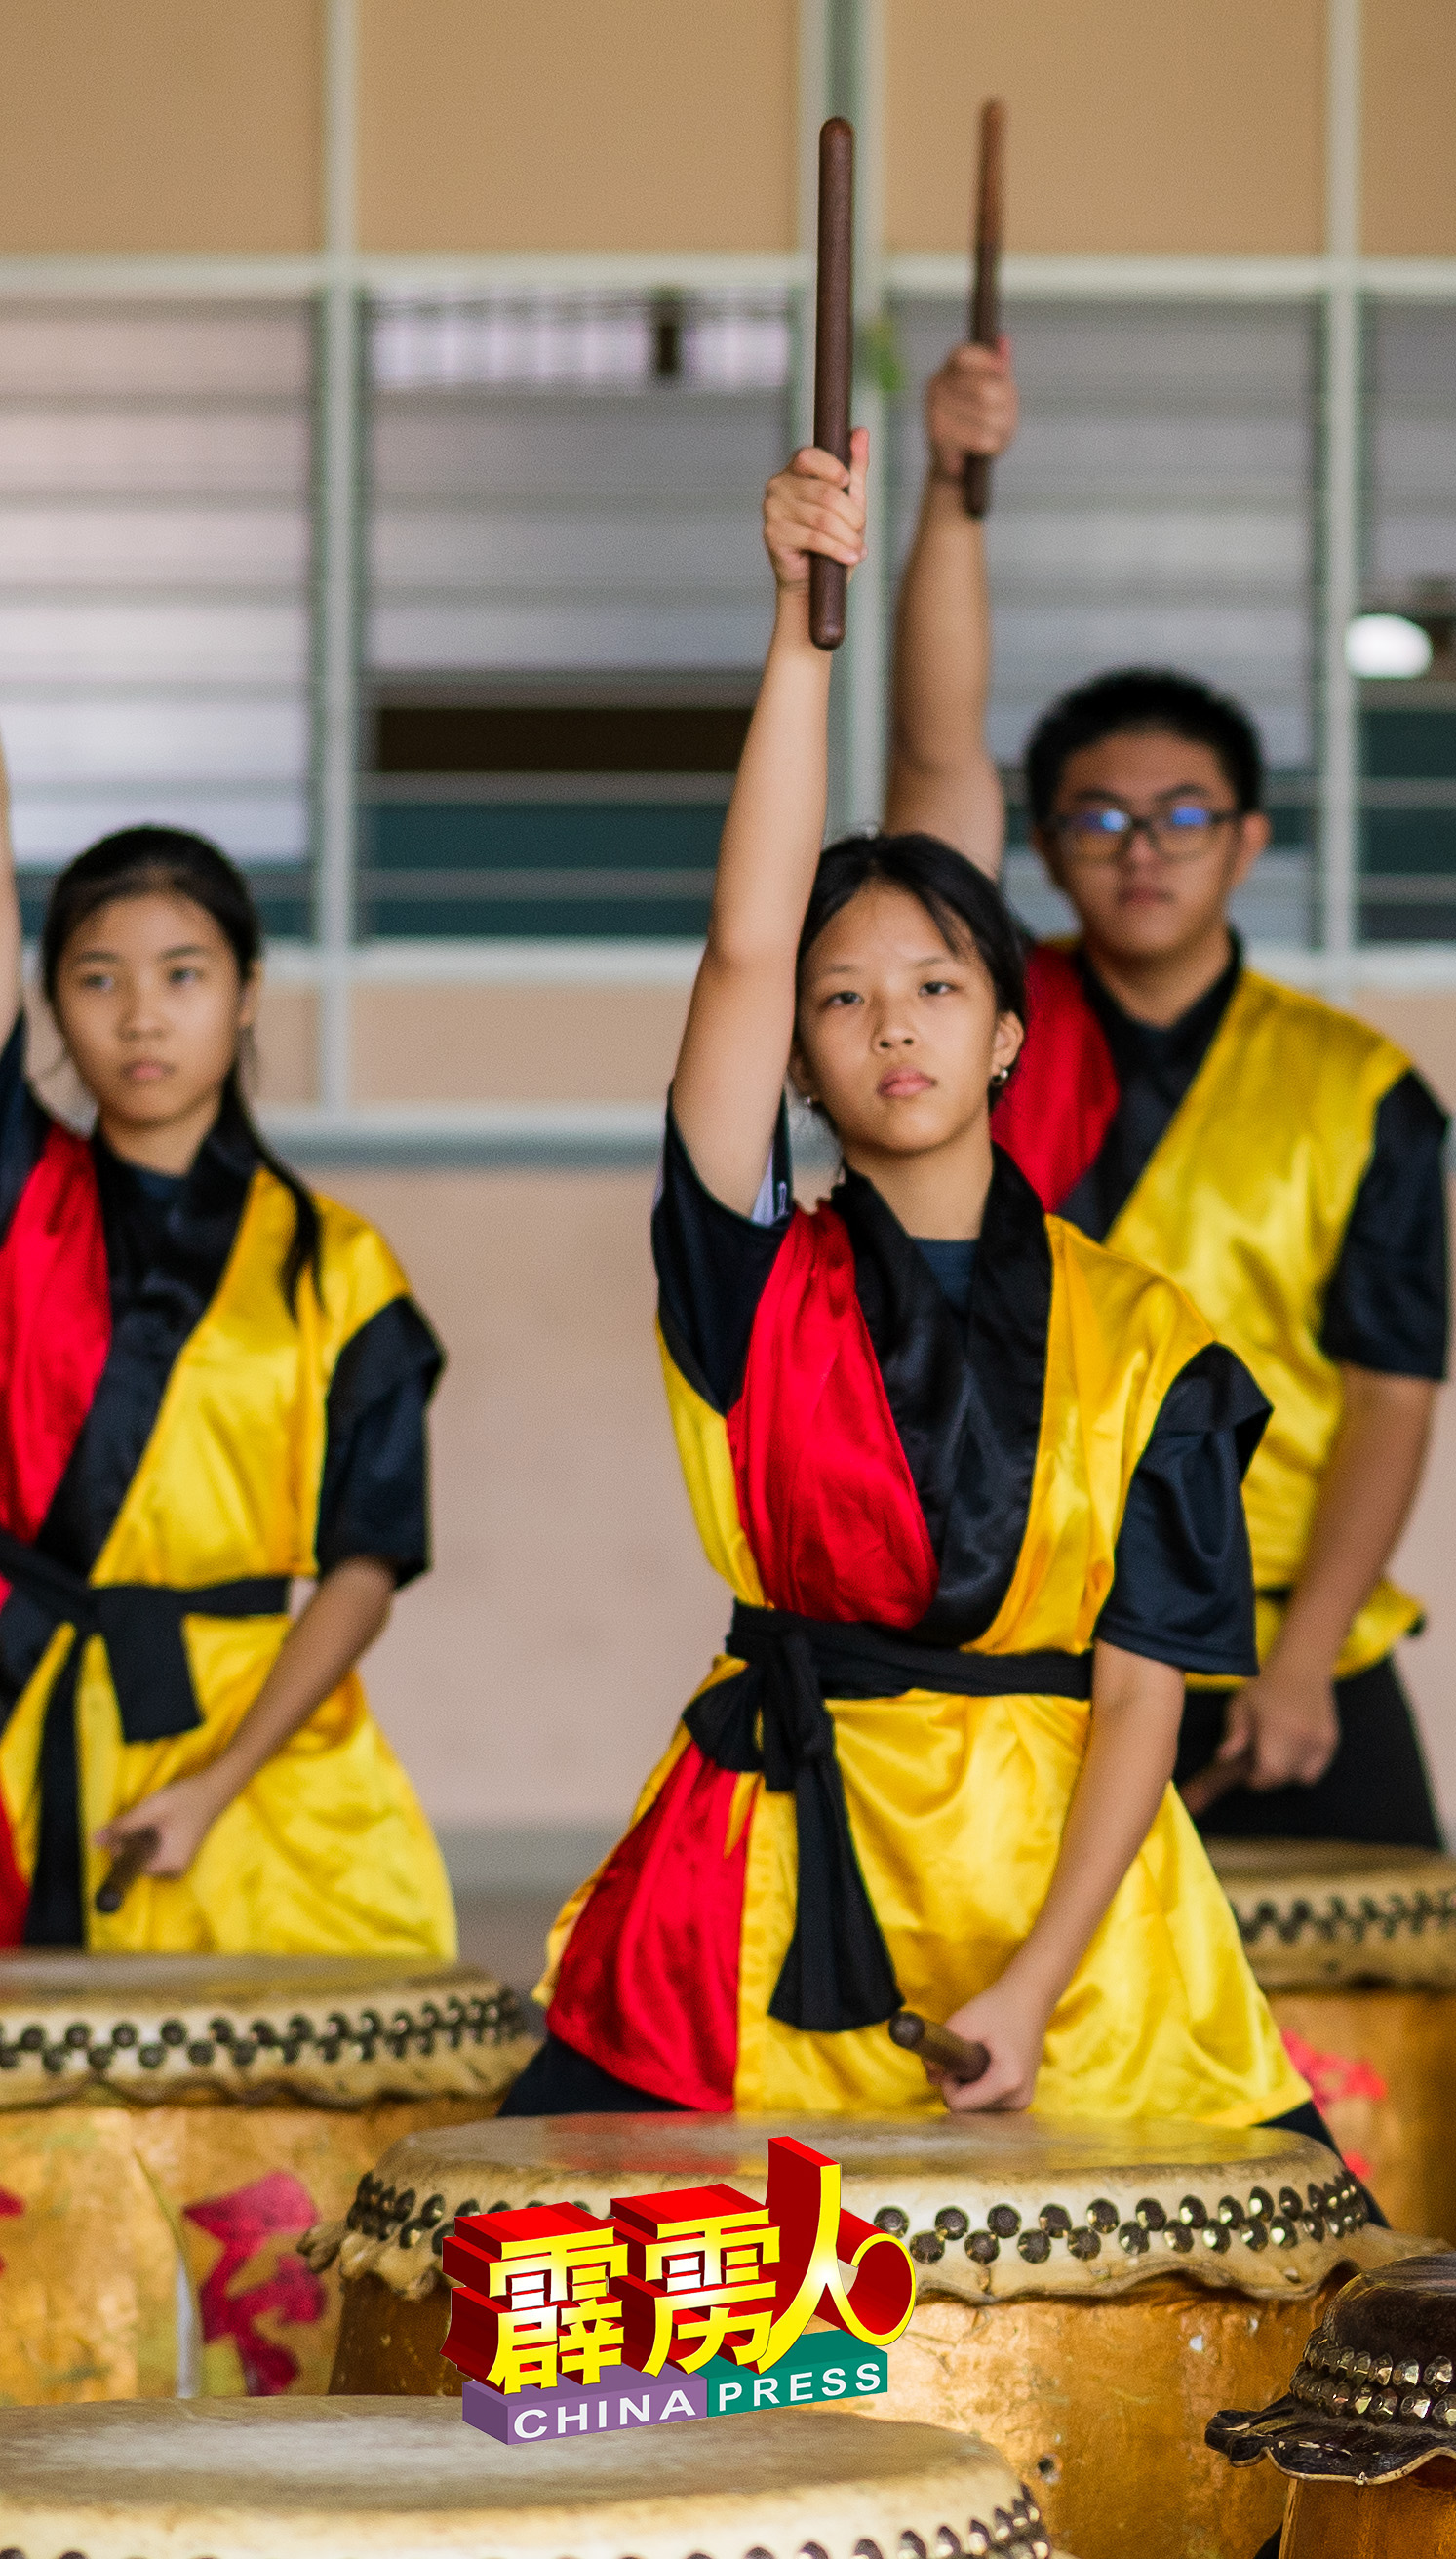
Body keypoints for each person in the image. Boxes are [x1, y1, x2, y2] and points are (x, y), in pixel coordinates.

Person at [514, 430, 1307, 2131]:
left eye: (936, 987)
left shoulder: (1154, 1335)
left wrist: (1032, 1981)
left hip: (1072, 1901)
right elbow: (737, 941)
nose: (891, 1025)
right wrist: (799, 646)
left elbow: (1144, 1693)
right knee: (566, 2324)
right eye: (843, 997)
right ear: (795, 1054)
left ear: (1011, 1029)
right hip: (772, 1855)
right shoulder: (746, 1277)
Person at [884, 333, 1453, 1847]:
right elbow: (934, 754)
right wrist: (950, 491)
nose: (1144, 847)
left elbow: (1393, 1400)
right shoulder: (973, 1030)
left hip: (1276, 1617)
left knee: (1385, 2019)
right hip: (1020, 1601)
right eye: (1102, 817)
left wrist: (1314, 1652)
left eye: (1185, 814)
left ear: (1250, 840)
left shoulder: (1362, 1089)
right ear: (1048, 847)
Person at [0, 766, 453, 1959]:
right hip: (27, 1708)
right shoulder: (18, 1200)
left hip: (259, 1742)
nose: (141, 1015)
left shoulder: (340, 1266)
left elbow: (367, 1560)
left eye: (182, 975)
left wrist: (218, 1781)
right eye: (97, 979)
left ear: (248, 992)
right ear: (44, 1000)